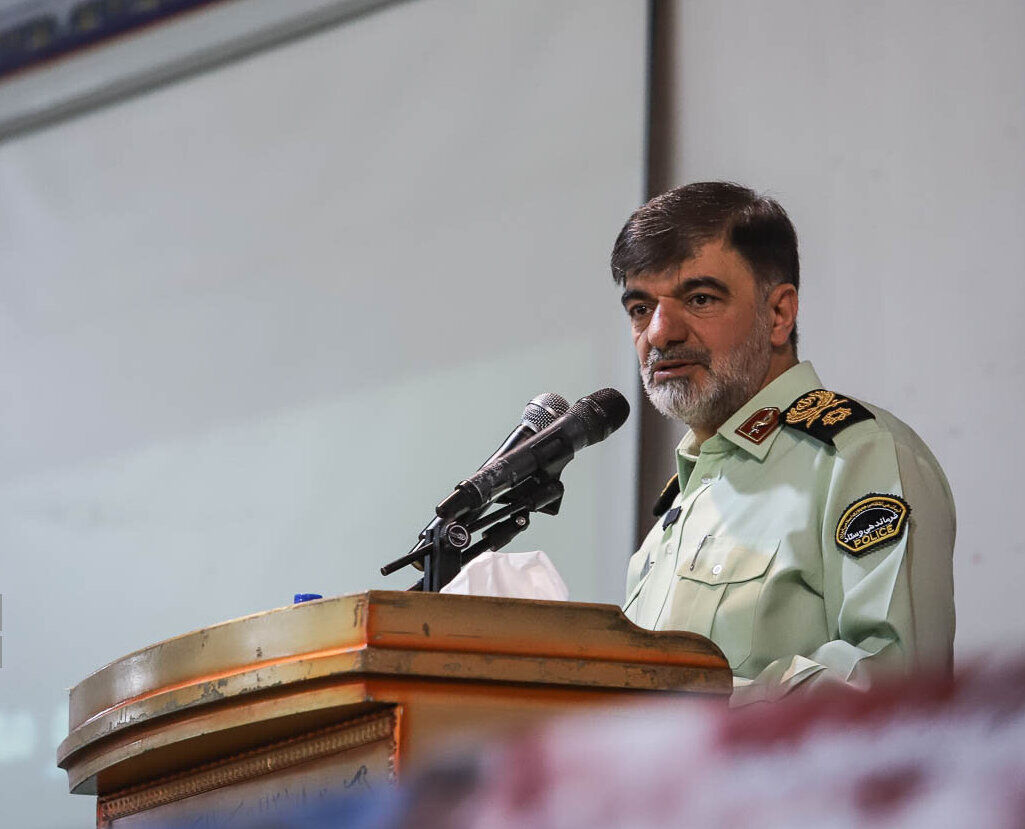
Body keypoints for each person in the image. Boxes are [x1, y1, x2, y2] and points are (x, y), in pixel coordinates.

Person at [612, 182, 955, 704]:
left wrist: (697, 718)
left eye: (699, 299)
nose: (659, 333)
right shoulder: (678, 509)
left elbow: (897, 688)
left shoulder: (858, 456)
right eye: (640, 308)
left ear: (779, 314)